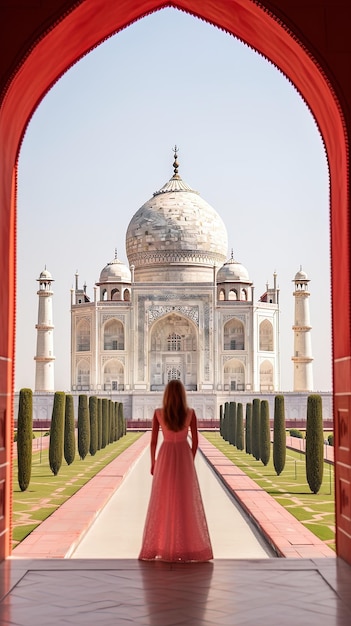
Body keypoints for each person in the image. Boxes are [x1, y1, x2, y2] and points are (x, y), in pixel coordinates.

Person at [139, 379, 213, 562]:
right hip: (183, 454)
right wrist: (190, 459)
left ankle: (162, 546)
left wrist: (153, 462)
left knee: (163, 499)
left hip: (165, 455)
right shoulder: (190, 413)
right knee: (185, 502)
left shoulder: (158, 413)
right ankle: (189, 548)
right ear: (182, 395)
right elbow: (195, 442)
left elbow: (154, 441)